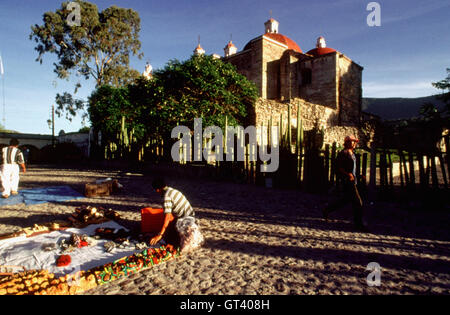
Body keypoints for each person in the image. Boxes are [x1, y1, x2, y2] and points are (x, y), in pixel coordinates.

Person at [323, 135, 368, 232]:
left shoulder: (352, 153)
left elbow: (352, 169)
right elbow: (338, 167)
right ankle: (359, 224)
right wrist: (347, 175)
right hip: (348, 182)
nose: (354, 143)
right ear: (347, 142)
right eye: (352, 141)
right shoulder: (343, 153)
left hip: (353, 180)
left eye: (355, 141)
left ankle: (327, 209)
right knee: (358, 202)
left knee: (344, 200)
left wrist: (358, 176)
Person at [149, 178, 196, 246]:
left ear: (157, 190)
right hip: (191, 216)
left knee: (171, 237)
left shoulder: (166, 196)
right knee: (169, 227)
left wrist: (160, 234)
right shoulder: (171, 190)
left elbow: (167, 217)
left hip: (186, 220)